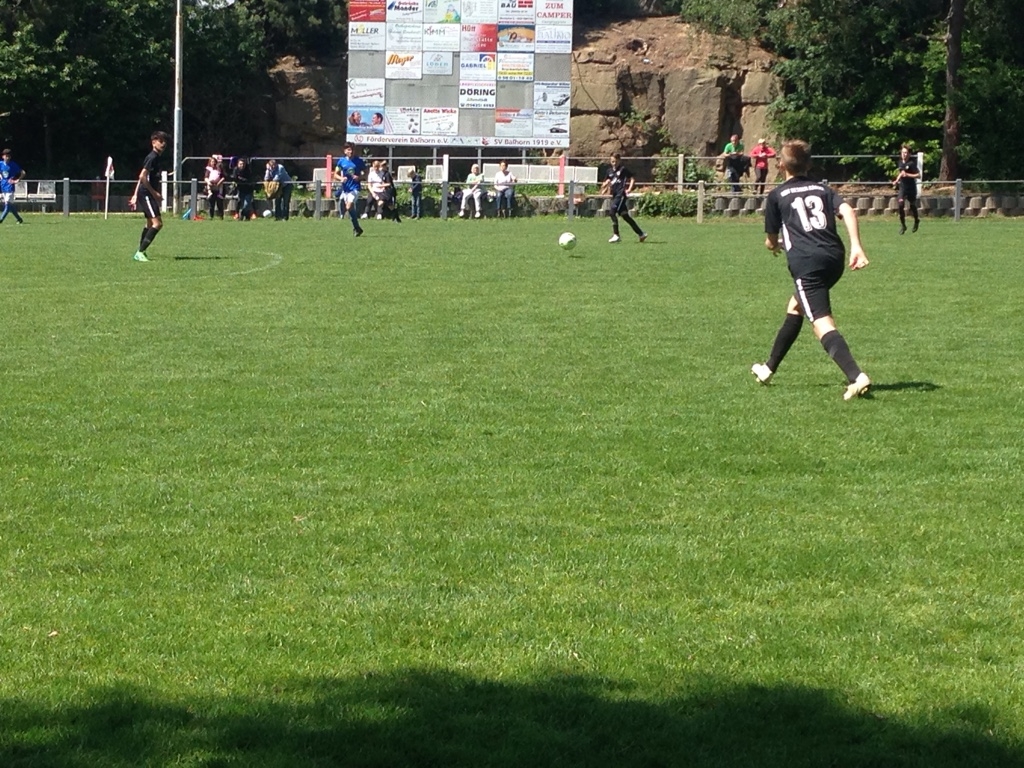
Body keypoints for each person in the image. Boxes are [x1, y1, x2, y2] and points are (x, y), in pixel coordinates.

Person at [750, 139, 871, 401]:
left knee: (820, 323)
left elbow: (770, 240)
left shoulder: (777, 195)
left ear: (781, 165)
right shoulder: (823, 189)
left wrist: (774, 245)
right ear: (809, 164)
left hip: (808, 264)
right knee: (796, 307)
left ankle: (856, 376)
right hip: (834, 258)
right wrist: (857, 247)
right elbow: (848, 210)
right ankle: (768, 368)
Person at [128, 130, 170, 262]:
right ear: (154, 142)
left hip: (145, 193)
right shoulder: (152, 157)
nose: (163, 144)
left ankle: (141, 252)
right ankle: (140, 252)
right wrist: (154, 193)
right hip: (146, 194)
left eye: (165, 141)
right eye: (161, 141)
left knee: (149, 223)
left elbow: (141, 176)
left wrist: (135, 195)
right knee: (158, 224)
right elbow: (143, 177)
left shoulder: (156, 157)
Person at [599, 153, 647, 243]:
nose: (614, 163)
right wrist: (605, 186)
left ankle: (616, 235)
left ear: (619, 161)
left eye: (616, 162)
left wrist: (629, 189)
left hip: (621, 195)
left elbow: (632, 178)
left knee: (612, 212)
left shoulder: (623, 169)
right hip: (615, 195)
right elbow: (606, 182)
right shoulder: (609, 171)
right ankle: (641, 234)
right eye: (612, 161)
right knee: (625, 215)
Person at [334, 142, 366, 236]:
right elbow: (335, 174)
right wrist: (341, 178)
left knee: (348, 206)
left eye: (352, 150)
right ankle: (357, 228)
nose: (351, 151)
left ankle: (356, 227)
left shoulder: (359, 161)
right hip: (345, 189)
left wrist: (359, 177)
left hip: (355, 188)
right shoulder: (341, 161)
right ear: (345, 151)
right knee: (350, 208)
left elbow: (366, 173)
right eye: (349, 150)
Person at [894, 144, 920, 234]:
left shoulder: (911, 164)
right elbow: (902, 172)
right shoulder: (900, 162)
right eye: (903, 152)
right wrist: (896, 180)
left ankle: (916, 220)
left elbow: (918, 175)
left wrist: (908, 175)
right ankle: (903, 225)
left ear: (909, 154)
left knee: (912, 206)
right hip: (903, 188)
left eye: (906, 153)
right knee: (900, 205)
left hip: (911, 188)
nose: (904, 154)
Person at [0, 148, 26, 225]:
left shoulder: (13, 165)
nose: (7, 158)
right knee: (10, 205)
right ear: (3, 156)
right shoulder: (1, 164)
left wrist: (17, 180)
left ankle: (1, 219)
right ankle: (19, 219)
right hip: (3, 186)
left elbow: (23, 172)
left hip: (10, 187)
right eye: (6, 156)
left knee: (7, 205)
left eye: (9, 156)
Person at [204, 155, 226, 220]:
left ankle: (221, 217)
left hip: (218, 188)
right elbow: (206, 177)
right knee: (211, 204)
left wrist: (218, 183)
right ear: (210, 162)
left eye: (214, 161)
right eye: (212, 161)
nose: (213, 163)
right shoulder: (208, 169)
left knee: (220, 204)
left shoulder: (219, 169)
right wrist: (209, 182)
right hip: (211, 187)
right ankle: (211, 216)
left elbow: (223, 177)